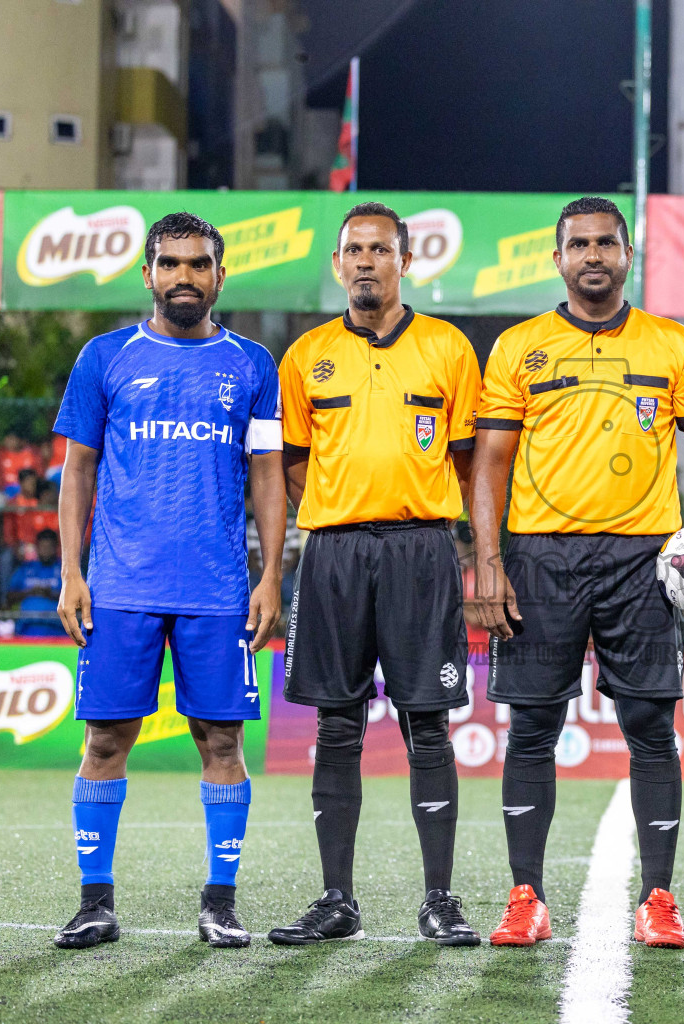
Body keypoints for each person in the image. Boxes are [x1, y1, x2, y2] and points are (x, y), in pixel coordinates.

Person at [472, 196, 684, 950]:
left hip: (642, 560)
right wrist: (489, 561)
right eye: (579, 244)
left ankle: (658, 898)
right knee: (532, 728)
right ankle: (525, 897)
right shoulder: (519, 348)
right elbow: (490, 466)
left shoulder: (671, 344)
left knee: (649, 727)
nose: (593, 255)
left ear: (628, 255)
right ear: (558, 257)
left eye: (607, 243)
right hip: (541, 556)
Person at [51, 212, 285, 951]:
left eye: (199, 264)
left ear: (220, 275)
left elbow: (271, 474)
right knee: (106, 740)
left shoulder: (253, 365)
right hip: (119, 586)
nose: (185, 276)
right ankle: (95, 902)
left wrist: (271, 574)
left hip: (217, 591)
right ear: (147, 273)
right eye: (171, 264)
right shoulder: (104, 356)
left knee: (221, 740)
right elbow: (77, 470)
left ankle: (220, 902)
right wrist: (71, 573)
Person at [268, 203, 483, 948]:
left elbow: (465, 458)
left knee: (428, 722)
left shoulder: (449, 349)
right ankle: (337, 901)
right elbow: (292, 461)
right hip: (332, 554)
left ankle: (440, 900)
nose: (366, 261)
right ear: (337, 265)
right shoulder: (306, 357)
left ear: (404, 260)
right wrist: (338, 510)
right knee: (336, 723)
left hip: (422, 551)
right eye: (354, 250)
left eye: (380, 250)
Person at [8, 529, 63, 637]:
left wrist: (50, 594)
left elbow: (78, 599)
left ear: (56, 548)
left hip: (59, 631)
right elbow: (9, 597)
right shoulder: (25, 568)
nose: (45, 551)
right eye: (43, 547)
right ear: (37, 547)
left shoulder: (65, 569)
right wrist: (29, 593)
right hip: (27, 629)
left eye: (49, 547)